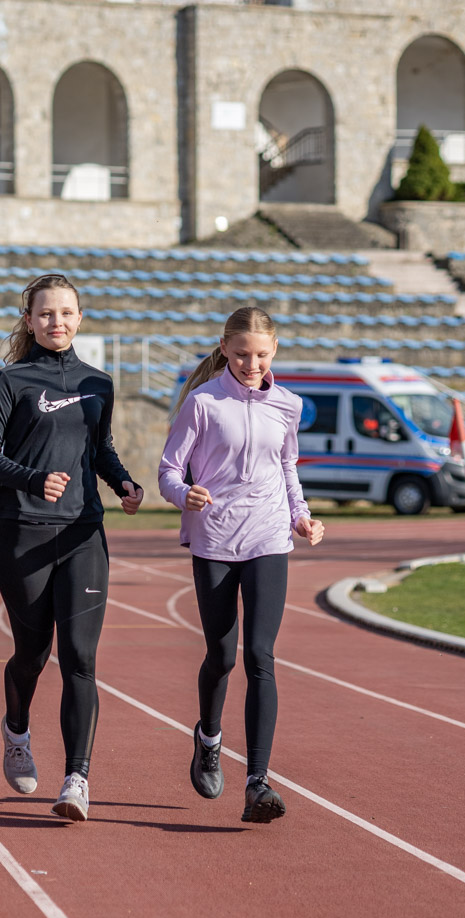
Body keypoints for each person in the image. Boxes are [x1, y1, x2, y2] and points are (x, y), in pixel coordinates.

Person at [0, 274, 145, 823]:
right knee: (32, 654)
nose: (57, 322)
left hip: (82, 535)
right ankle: (16, 730)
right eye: (46, 314)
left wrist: (123, 483)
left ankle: (77, 779)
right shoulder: (10, 380)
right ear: (30, 320)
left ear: (80, 317)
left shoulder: (99, 383)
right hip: (23, 533)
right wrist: (32, 479)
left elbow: (101, 449)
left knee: (80, 658)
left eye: (67, 313)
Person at [157, 307, 325, 824]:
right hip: (214, 540)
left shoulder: (288, 404)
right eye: (243, 355)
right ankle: (208, 738)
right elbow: (168, 471)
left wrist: (301, 515)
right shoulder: (203, 403)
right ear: (225, 349)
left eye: (262, 355)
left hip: (269, 537)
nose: (252, 365)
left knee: (260, 655)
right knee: (222, 655)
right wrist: (184, 494)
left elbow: (287, 466)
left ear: (275, 352)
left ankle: (258, 781)